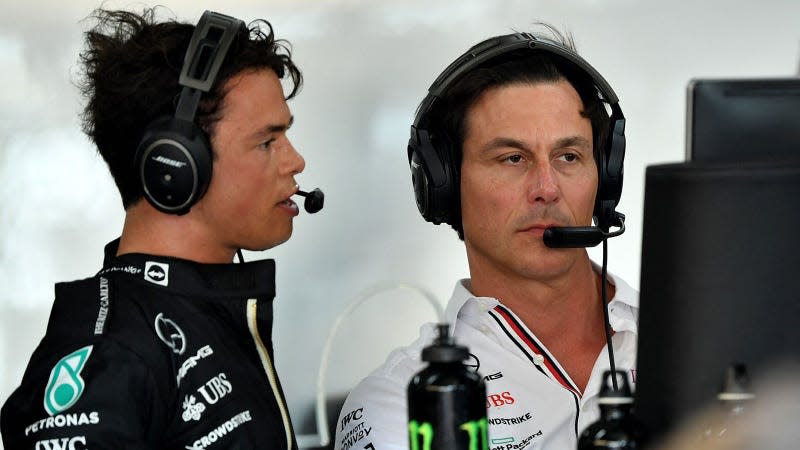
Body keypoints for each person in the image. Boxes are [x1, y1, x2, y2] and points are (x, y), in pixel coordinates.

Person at [1, 7, 311, 449]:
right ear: (176, 165)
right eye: (267, 141)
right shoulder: (113, 351)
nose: (295, 161)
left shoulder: (203, 309)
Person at [334, 28, 638, 450]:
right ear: (444, 185)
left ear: (605, 177)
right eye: (512, 158)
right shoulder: (400, 405)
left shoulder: (702, 343)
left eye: (568, 156)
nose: (547, 188)